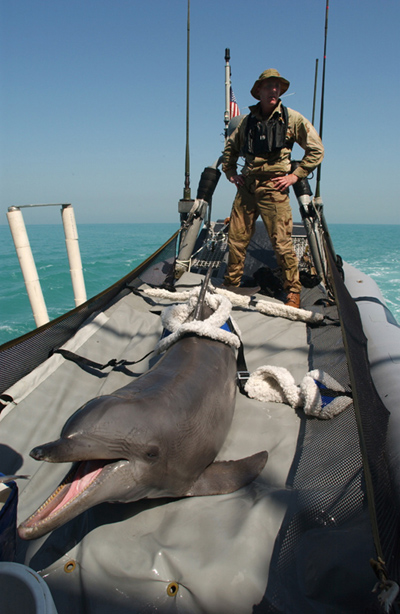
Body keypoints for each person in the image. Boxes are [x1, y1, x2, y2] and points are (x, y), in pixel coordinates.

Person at [222, 68, 324, 308]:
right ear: (259, 92)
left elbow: (316, 150)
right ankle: (231, 286)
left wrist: (295, 176)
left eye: (277, 86)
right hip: (247, 187)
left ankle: (292, 292)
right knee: (236, 239)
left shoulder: (292, 119)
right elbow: (230, 149)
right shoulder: (246, 122)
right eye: (269, 86)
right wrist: (230, 173)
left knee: (281, 242)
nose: (274, 90)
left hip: (275, 188)